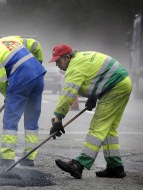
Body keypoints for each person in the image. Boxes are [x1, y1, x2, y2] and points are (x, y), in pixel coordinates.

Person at [48, 44, 132, 179]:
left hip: (115, 87)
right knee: (108, 129)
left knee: (97, 127)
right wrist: (93, 97)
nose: (57, 64)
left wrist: (58, 120)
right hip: (123, 83)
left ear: (67, 57)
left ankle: (79, 164)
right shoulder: (81, 58)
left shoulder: (74, 68)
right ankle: (115, 167)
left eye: (58, 60)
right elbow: (95, 74)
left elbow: (67, 95)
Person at [0, 33, 46, 167]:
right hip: (38, 76)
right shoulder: (10, 39)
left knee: (10, 120)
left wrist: (8, 95)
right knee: (31, 119)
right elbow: (36, 44)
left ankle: (7, 158)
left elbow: (0, 80)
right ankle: (29, 158)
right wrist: (38, 62)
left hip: (21, 79)